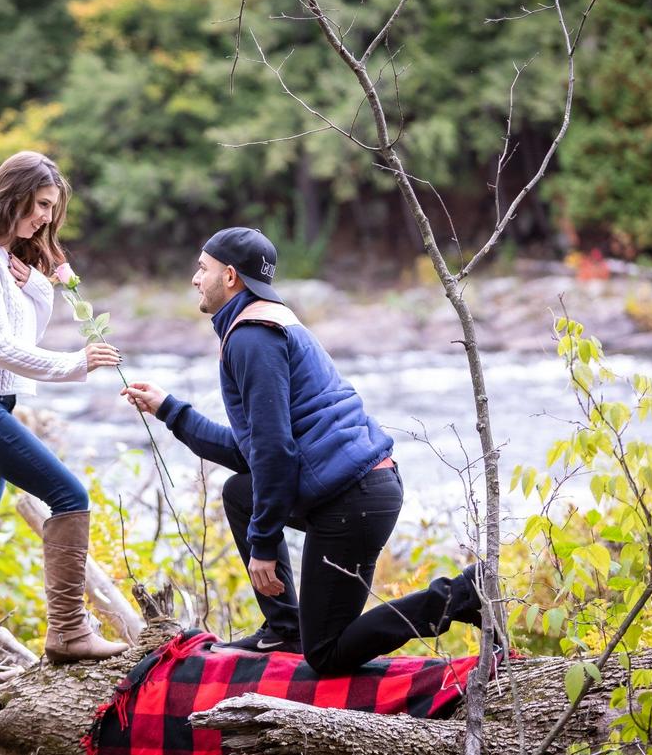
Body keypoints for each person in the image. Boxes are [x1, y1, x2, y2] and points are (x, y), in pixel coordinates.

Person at [121, 226, 483, 675]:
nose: (196, 278)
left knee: (326, 656)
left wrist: (264, 545)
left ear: (230, 276)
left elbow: (275, 452)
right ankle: (283, 629)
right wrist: (171, 410)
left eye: (203, 268)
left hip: (351, 501)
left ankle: (461, 595)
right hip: (357, 492)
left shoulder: (252, 337)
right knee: (241, 492)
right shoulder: (263, 321)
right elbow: (254, 454)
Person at [0, 151, 129, 696]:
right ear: (13, 194)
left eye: (51, 210)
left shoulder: (0, 260)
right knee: (70, 494)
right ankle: (68, 631)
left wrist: (37, 284)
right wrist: (77, 364)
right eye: (40, 205)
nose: (43, 218)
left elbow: (26, 334)